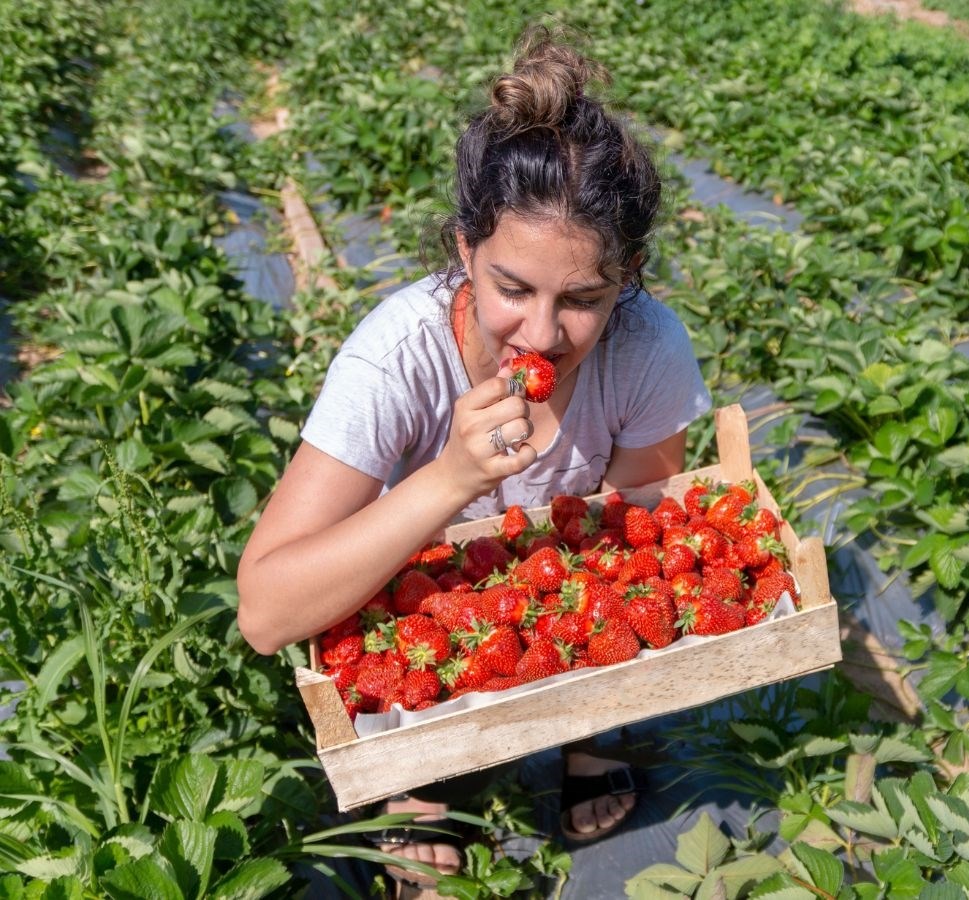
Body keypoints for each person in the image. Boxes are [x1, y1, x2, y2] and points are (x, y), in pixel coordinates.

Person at [235, 25, 711, 896]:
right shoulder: (396, 360)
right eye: (511, 288)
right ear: (464, 250)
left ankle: (588, 739)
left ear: (630, 275)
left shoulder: (646, 347)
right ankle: (420, 785)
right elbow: (265, 614)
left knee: (627, 590)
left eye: (583, 300)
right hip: (415, 602)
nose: (540, 332)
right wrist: (450, 479)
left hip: (554, 593)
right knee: (401, 690)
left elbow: (633, 541)